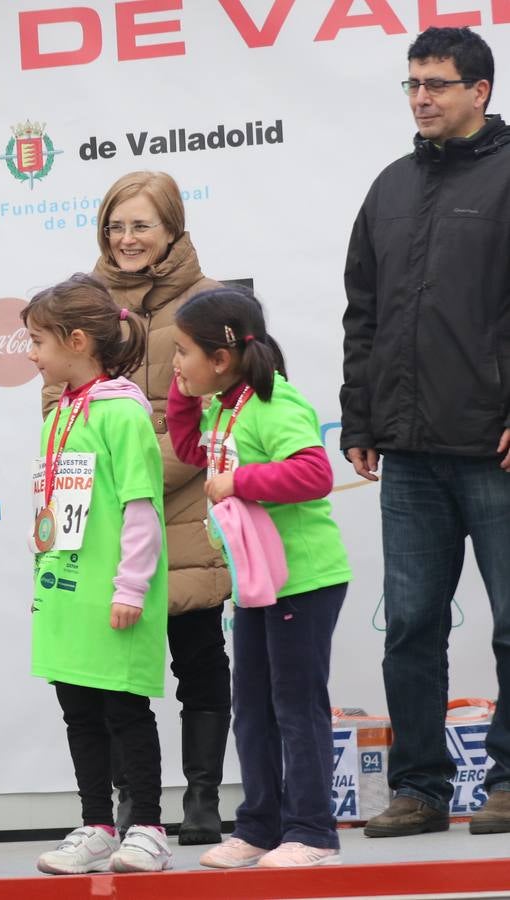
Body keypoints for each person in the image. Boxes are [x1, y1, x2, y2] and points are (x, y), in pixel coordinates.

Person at [343, 25, 510, 838]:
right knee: (411, 625)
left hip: (495, 449)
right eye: (412, 84)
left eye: (437, 84)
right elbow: (364, 312)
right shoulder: (390, 186)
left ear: (480, 89)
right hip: (407, 451)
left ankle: (509, 781)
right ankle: (418, 787)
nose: (421, 98)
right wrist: (363, 413)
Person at [168, 286, 352, 868]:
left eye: (182, 353)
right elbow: (187, 447)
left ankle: (312, 833)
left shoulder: (276, 403)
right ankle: (259, 826)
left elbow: (313, 472)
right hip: (256, 581)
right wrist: (180, 391)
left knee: (295, 707)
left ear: (220, 359)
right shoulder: (223, 405)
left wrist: (241, 482)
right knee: (251, 707)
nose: (175, 362)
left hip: (303, 579)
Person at [89, 171, 233, 845]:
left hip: (185, 513)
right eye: (116, 225)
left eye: (141, 225)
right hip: (108, 525)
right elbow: (59, 407)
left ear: (172, 228)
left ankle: (202, 798)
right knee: (119, 676)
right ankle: (132, 801)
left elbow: (215, 421)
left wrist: (136, 474)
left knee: (199, 660)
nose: (127, 239)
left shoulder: (210, 305)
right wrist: (116, 485)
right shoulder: (82, 306)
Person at [24, 274, 172, 875]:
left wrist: (131, 585)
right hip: (66, 592)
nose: (31, 354)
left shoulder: (121, 414)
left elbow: (141, 506)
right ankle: (97, 825)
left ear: (78, 341)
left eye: (38, 341)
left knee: (124, 711)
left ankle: (149, 828)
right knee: (78, 712)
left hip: (113, 594)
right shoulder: (59, 412)